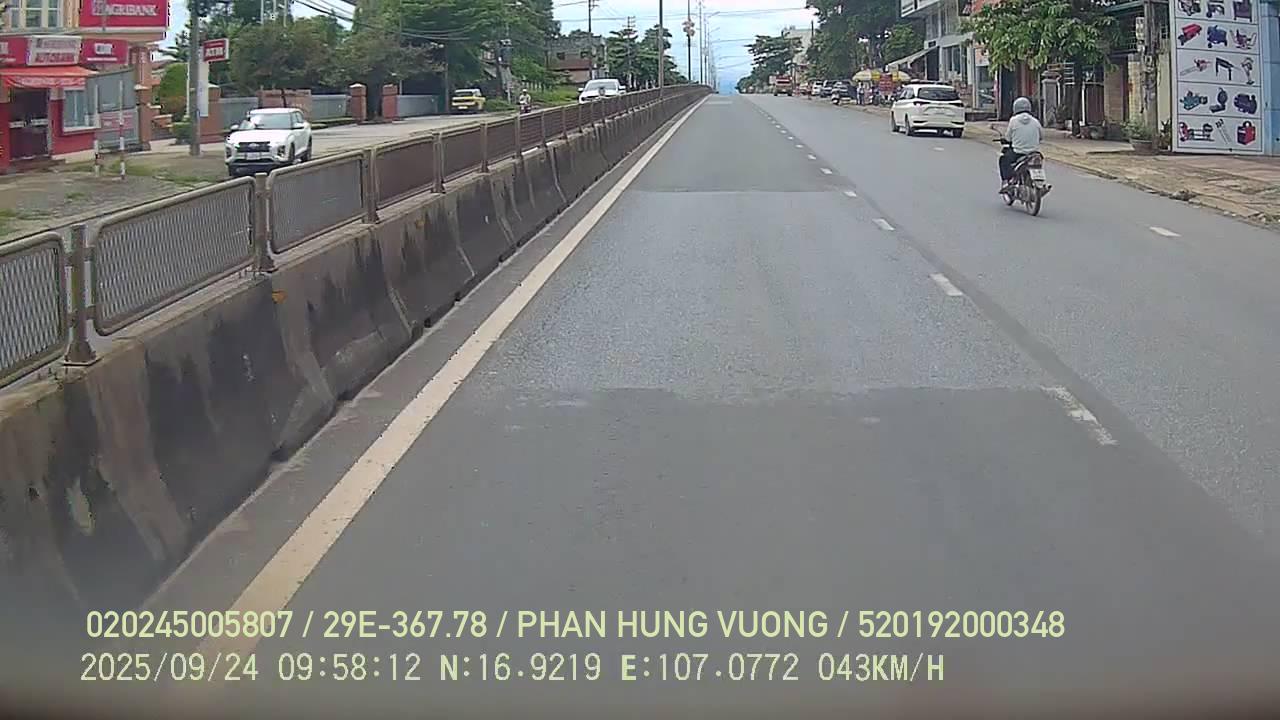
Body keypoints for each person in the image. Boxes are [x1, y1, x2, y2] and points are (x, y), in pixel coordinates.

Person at [1000, 96, 1043, 191]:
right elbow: (1041, 137)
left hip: (1018, 153)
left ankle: (1006, 182)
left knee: (1003, 159)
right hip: (1034, 153)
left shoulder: (1013, 120)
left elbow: (1008, 137)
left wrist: (1005, 139)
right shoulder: (1035, 121)